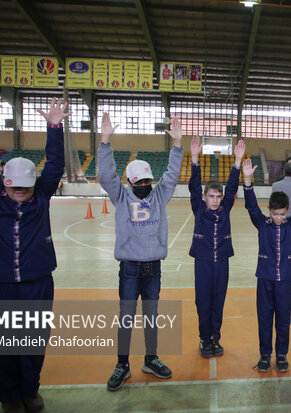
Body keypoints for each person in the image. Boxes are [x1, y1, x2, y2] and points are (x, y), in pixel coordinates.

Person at [0, 85, 69, 413]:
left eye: (28, 187)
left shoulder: (41, 194)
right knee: (2, 344)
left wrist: (54, 127)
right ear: (4, 182)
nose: (22, 193)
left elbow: (54, 164)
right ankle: (9, 396)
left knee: (32, 342)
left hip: (37, 280)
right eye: (16, 188)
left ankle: (29, 389)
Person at [98, 112, 183, 391]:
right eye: (140, 183)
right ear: (131, 182)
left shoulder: (159, 195)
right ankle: (122, 364)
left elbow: (171, 176)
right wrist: (105, 142)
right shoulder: (121, 196)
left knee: (151, 316)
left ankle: (151, 358)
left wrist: (177, 146)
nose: (145, 187)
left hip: (153, 268)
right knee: (125, 317)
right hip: (130, 269)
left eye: (148, 181)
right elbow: (107, 176)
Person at [243, 158, 291, 372]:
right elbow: (251, 206)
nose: (279, 218)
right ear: (270, 210)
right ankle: (265, 354)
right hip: (265, 279)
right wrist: (247, 179)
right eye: (275, 214)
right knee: (265, 318)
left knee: (283, 319)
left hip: (285, 281)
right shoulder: (262, 224)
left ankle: (281, 354)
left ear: (287, 212)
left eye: (282, 214)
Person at [189, 136, 244, 358]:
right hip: (202, 261)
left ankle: (215, 338)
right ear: (204, 197)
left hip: (222, 260)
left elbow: (231, 187)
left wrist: (237, 161)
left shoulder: (225, 208)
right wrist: (194, 158)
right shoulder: (198, 209)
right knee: (203, 301)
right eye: (210, 196)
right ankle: (204, 338)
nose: (215, 200)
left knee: (218, 300)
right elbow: (194, 185)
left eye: (218, 196)